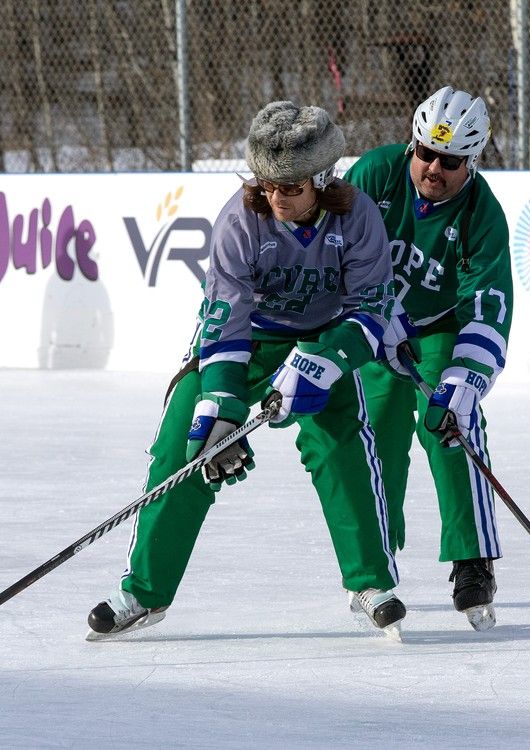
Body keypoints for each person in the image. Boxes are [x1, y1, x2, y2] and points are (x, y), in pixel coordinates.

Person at [87, 101, 406, 638]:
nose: (275, 197)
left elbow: (371, 311)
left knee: (341, 443)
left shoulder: (359, 219)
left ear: (323, 179)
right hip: (249, 338)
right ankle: (144, 591)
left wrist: (328, 363)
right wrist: (220, 406)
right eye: (266, 184)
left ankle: (370, 583)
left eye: (291, 187)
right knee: (182, 444)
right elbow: (222, 319)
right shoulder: (240, 218)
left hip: (325, 337)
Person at [344, 87, 512, 630]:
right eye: (425, 152)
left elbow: (488, 309)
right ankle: (376, 563)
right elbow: (331, 253)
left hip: (441, 329)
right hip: (375, 325)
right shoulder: (374, 175)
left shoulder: (482, 215)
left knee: (450, 426)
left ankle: (473, 559)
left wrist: (463, 382)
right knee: (375, 432)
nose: (434, 167)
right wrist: (369, 314)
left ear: (473, 160)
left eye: (451, 160)